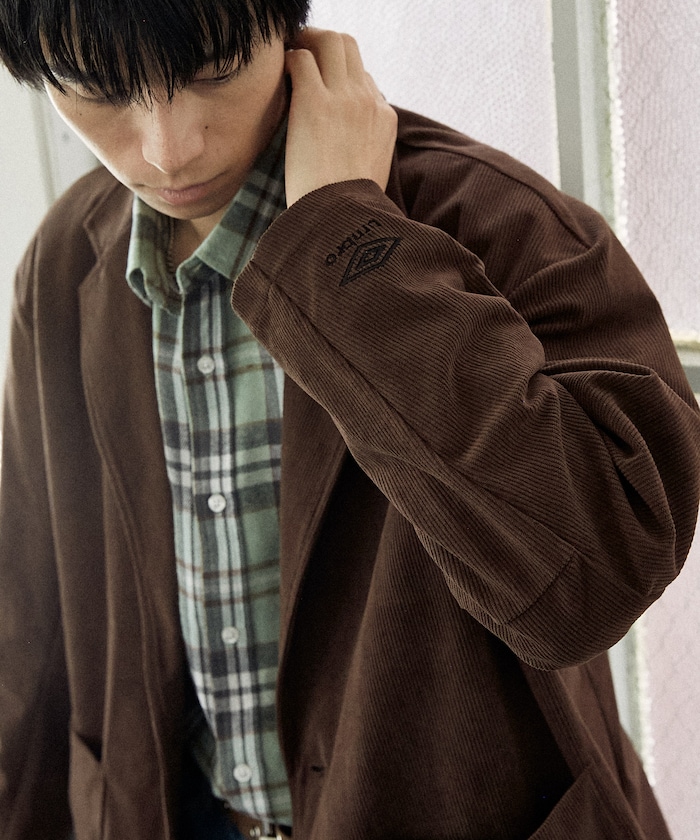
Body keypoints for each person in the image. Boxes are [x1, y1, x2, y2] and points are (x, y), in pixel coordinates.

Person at [0, 0, 698, 838]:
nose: (167, 149)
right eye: (98, 88)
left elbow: (594, 581)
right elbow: (28, 613)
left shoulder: (494, 218)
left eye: (213, 71)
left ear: (285, 29)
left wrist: (344, 247)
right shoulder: (66, 258)